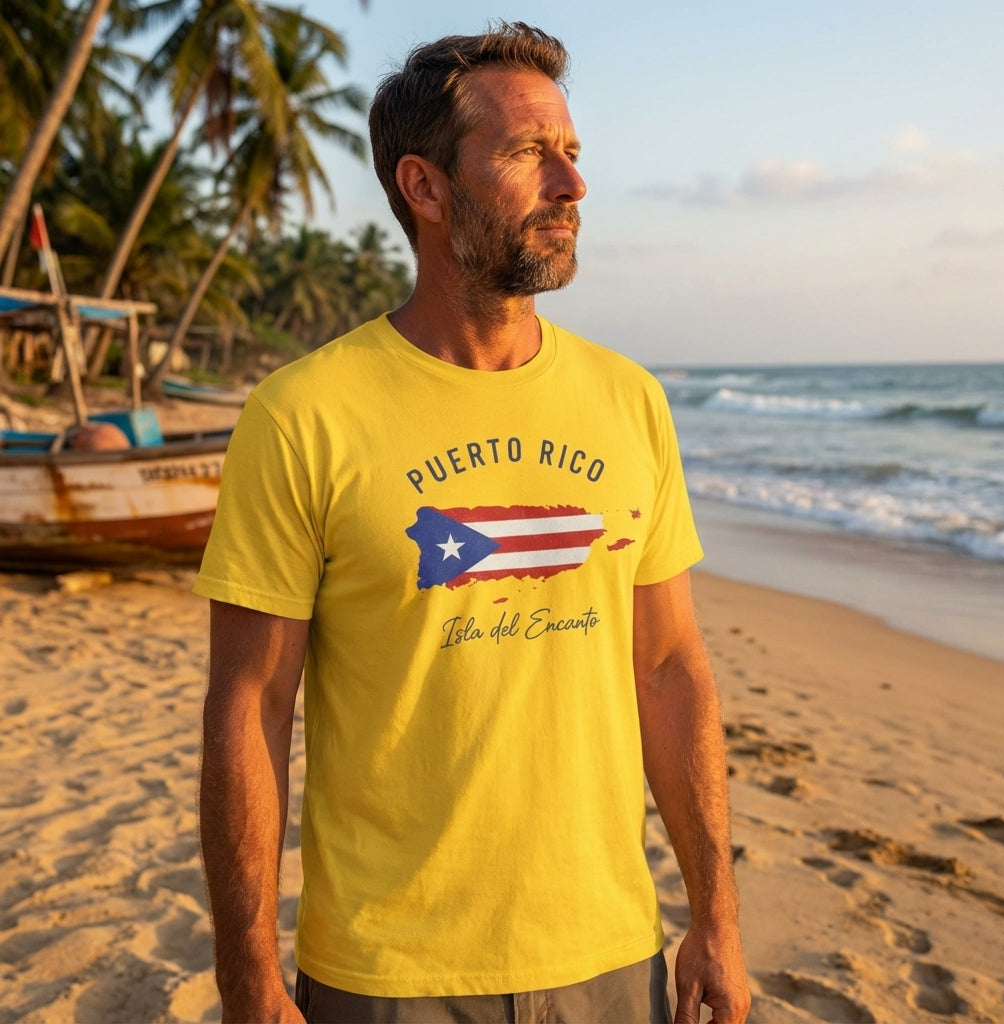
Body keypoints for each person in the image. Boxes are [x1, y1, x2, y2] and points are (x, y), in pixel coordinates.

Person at [196, 21, 749, 1024]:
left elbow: (669, 670)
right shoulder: (302, 415)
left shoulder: (629, 403)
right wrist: (248, 974)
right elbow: (251, 706)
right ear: (425, 187)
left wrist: (715, 915)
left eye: (572, 154)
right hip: (386, 972)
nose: (572, 186)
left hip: (611, 956)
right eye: (527, 154)